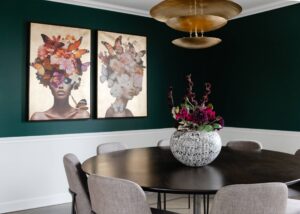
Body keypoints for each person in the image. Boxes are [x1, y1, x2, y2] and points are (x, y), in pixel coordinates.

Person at [30, 34, 90, 120]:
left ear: (73, 83)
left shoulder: (83, 115)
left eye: (66, 81)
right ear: (48, 83)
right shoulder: (38, 117)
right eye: (56, 80)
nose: (61, 86)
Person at [98, 35, 146, 117]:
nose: (134, 87)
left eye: (135, 81)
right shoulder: (118, 114)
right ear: (117, 84)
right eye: (127, 80)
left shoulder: (126, 112)